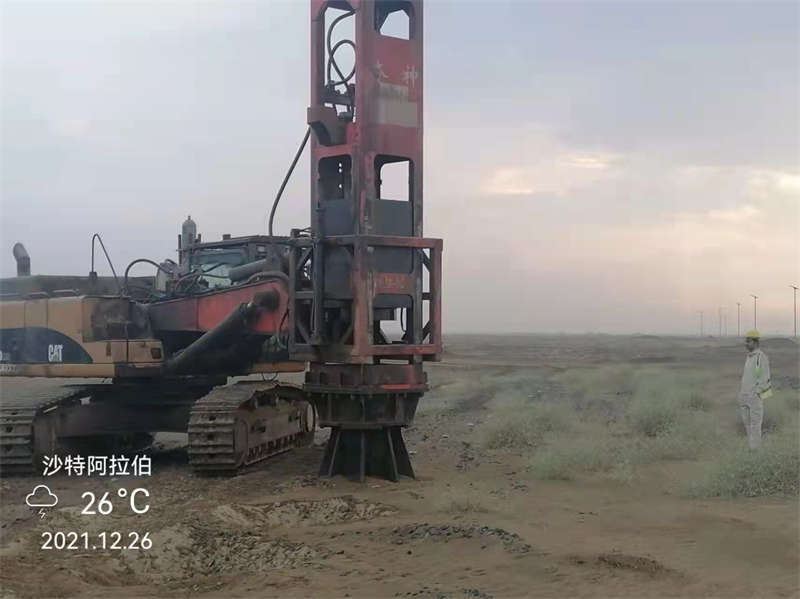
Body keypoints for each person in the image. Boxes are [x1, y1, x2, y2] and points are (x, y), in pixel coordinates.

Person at [739, 330, 772, 449]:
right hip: (744, 397)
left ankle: (756, 451)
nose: (746, 343)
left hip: (754, 398)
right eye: (746, 341)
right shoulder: (749, 357)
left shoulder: (760, 357)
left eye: (748, 341)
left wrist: (756, 394)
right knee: (747, 425)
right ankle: (751, 447)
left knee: (755, 426)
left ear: (755, 342)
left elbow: (765, 378)